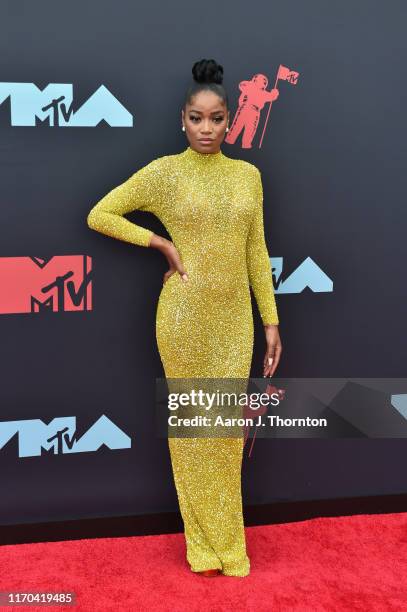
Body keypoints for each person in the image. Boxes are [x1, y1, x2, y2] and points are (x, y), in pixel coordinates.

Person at [86, 58, 282, 578]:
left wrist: (271, 320)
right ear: (182, 120)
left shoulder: (248, 176)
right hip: (183, 315)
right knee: (194, 430)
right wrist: (159, 243)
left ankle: (229, 541)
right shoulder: (165, 173)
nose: (206, 128)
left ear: (230, 120)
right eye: (196, 118)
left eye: (216, 118)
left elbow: (256, 250)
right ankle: (202, 544)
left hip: (235, 319)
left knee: (222, 432)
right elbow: (100, 213)